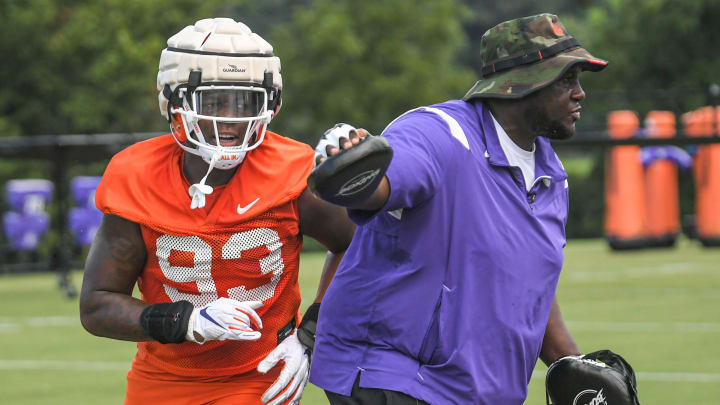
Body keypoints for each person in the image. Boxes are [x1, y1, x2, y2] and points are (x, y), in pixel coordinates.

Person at [309, 13, 608, 404]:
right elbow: (384, 184)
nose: (580, 93)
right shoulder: (440, 132)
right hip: (395, 377)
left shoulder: (551, 174)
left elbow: (530, 282)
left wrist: (573, 368)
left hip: (475, 392)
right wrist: (352, 172)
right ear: (520, 85)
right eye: (567, 79)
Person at [79, 17, 354, 405]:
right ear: (173, 101)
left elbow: (356, 244)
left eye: (245, 102)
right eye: (213, 102)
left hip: (261, 374)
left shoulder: (293, 170)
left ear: (270, 104)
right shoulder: (136, 175)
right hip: (164, 378)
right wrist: (186, 320)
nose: (229, 119)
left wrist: (310, 335)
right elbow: (97, 305)